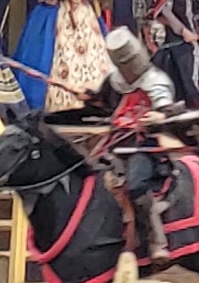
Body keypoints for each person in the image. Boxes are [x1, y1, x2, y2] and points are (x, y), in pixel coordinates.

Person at [78, 27, 188, 263]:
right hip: (115, 143)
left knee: (136, 184)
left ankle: (157, 241)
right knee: (88, 178)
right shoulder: (115, 80)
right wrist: (89, 98)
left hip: (142, 146)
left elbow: (171, 111)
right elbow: (105, 106)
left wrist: (159, 117)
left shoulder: (156, 81)